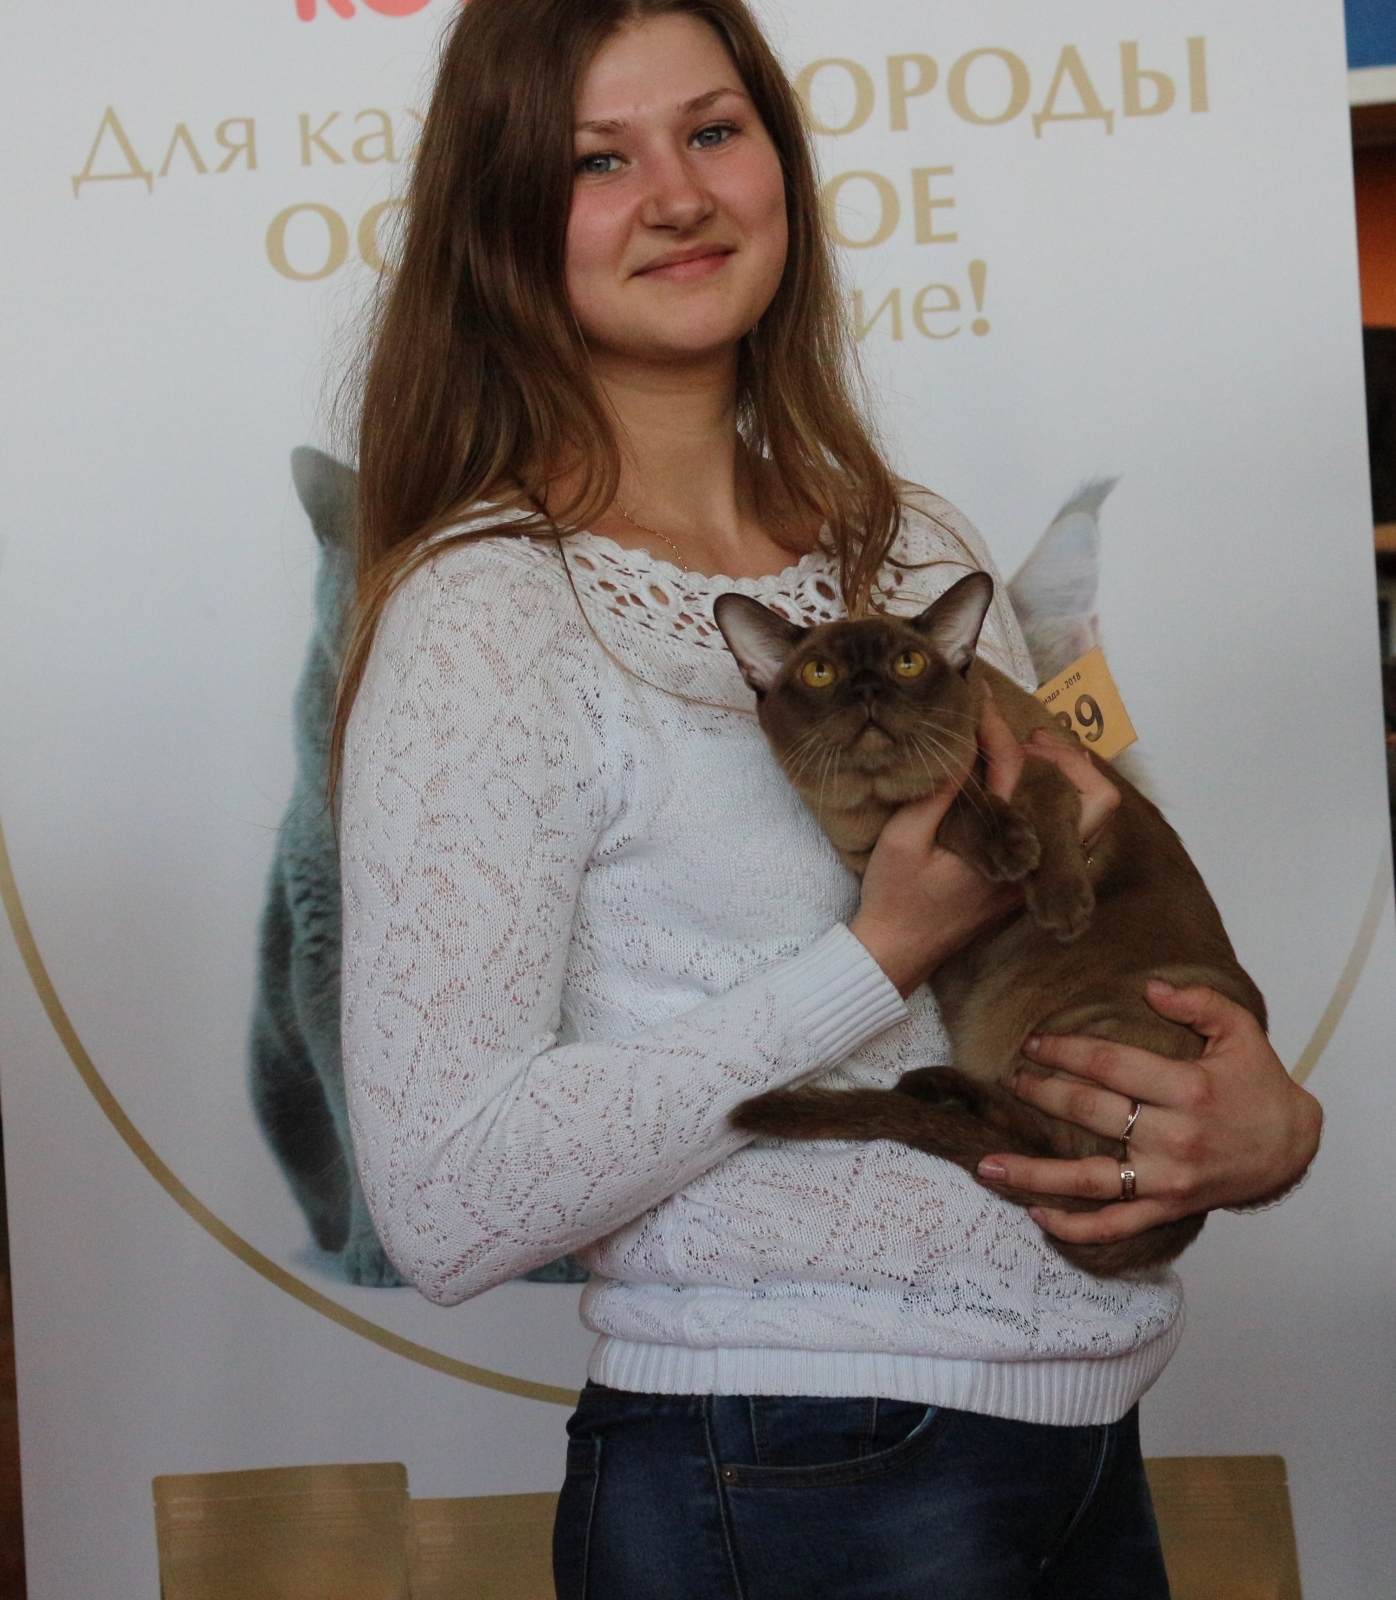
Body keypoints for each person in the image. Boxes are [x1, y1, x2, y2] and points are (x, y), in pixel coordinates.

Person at [335, 1, 1322, 1594]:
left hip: (1085, 1431)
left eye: (714, 132)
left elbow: (1084, 928)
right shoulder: (490, 614)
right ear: (499, 219)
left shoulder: (916, 547)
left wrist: (1260, 1123)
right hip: (783, 1472)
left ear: (780, 166)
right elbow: (447, 1206)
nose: (678, 194)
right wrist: (876, 956)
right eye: (598, 160)